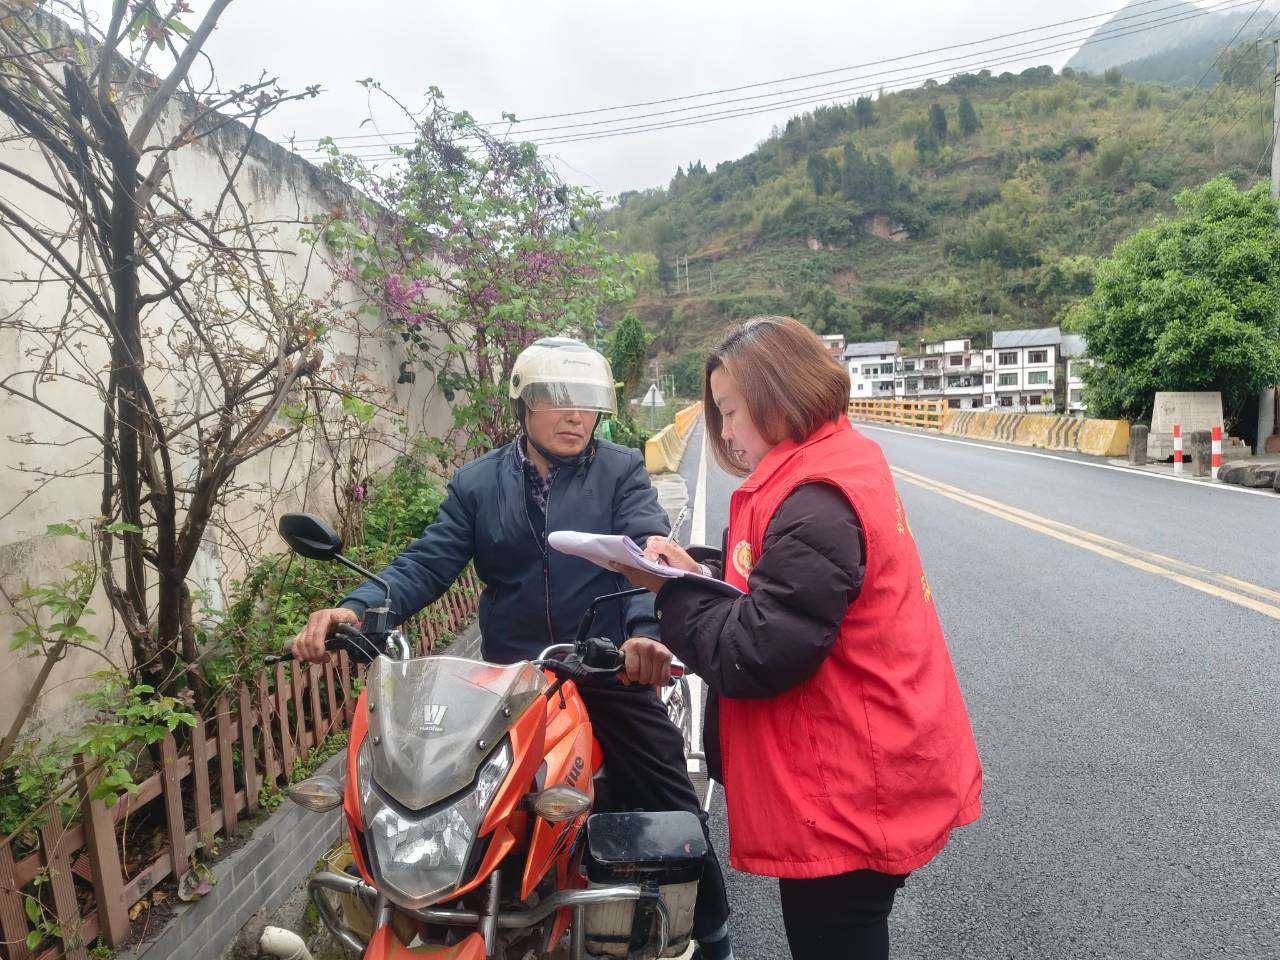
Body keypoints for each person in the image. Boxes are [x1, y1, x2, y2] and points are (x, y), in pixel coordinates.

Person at [291, 336, 734, 960]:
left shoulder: (621, 472)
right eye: (558, 400)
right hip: (510, 683)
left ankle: (713, 934)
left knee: (669, 795)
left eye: (587, 403)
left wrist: (644, 638)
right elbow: (426, 562)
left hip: (603, 668)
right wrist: (356, 608)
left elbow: (646, 553)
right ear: (522, 406)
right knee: (446, 795)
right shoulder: (477, 484)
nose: (575, 416)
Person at [619, 317, 982, 960]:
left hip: (847, 783)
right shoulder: (834, 461)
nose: (725, 431)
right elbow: (780, 585)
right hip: (861, 763)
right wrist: (699, 572)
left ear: (777, 395)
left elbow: (755, 651)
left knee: (836, 935)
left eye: (730, 411)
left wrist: (670, 594)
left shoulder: (815, 498)